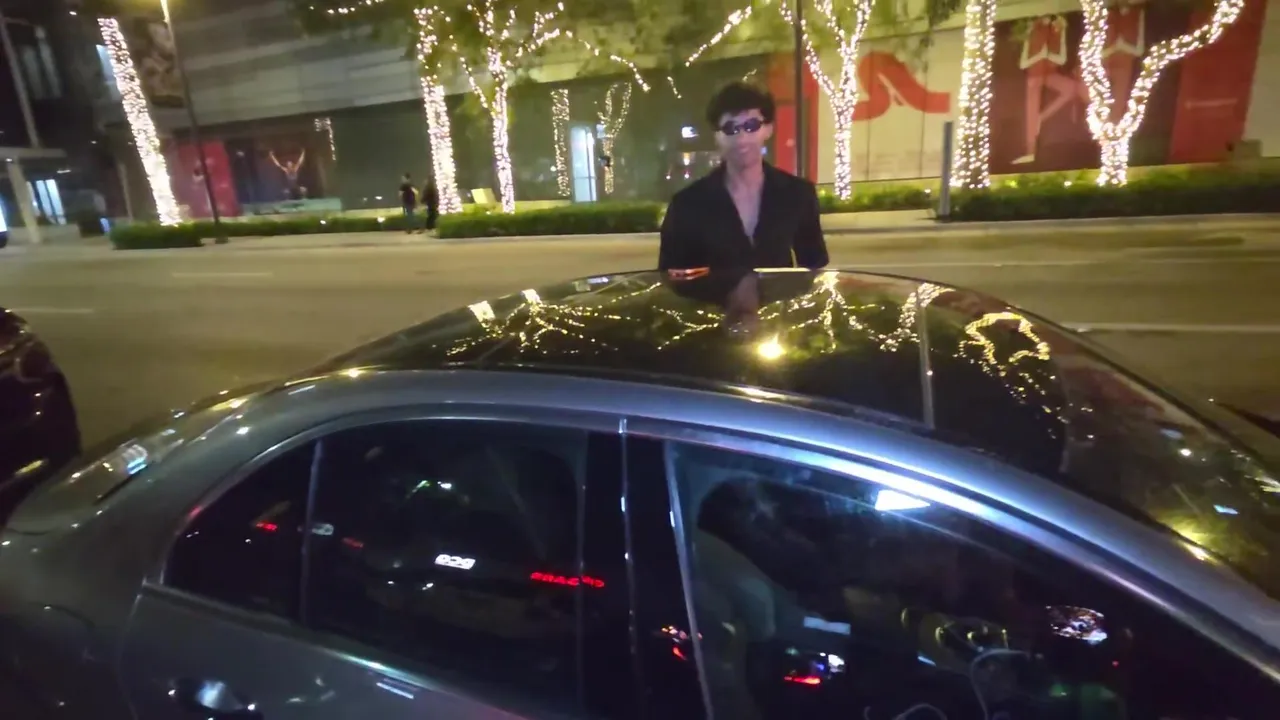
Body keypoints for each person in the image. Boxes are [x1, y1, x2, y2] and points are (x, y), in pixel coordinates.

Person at [658, 81, 828, 272]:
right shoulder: (687, 204)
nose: (742, 139)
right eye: (730, 128)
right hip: (714, 293)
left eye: (751, 126)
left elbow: (815, 269)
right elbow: (671, 277)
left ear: (768, 129)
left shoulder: (798, 194)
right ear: (716, 136)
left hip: (779, 293)